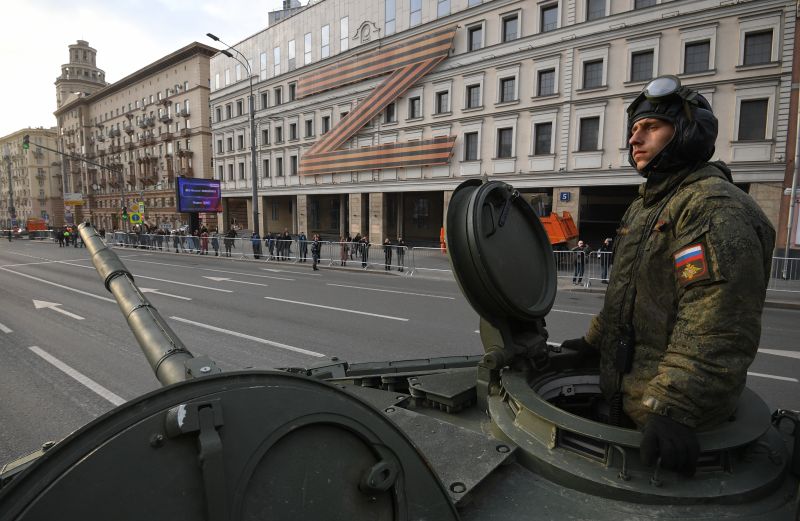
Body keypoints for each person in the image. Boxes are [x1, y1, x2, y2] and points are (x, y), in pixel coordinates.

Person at [560, 76, 775, 477]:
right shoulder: (648, 206)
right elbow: (627, 295)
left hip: (671, 423)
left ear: (689, 133)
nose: (634, 139)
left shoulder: (711, 207)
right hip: (630, 404)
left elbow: (717, 320)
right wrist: (593, 343)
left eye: (651, 127)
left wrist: (675, 405)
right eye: (634, 128)